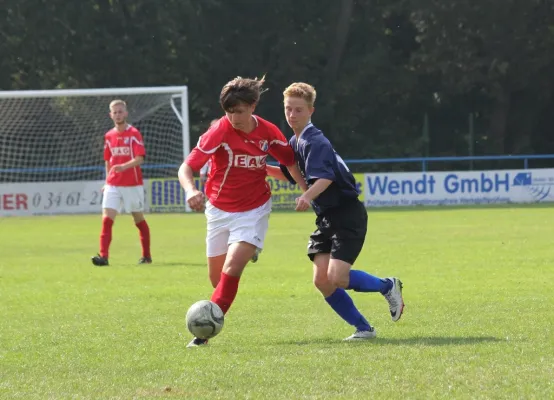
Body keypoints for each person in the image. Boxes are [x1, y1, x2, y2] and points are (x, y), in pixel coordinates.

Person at [267, 82, 404, 340]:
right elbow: (289, 174)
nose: (292, 115)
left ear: (311, 111)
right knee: (322, 281)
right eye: (288, 109)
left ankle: (388, 285)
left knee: (337, 278)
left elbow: (325, 178)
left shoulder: (313, 141)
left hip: (346, 214)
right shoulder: (295, 141)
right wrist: (259, 167)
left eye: (298, 110)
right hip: (327, 218)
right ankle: (364, 329)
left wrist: (307, 196)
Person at [178, 76, 306, 347]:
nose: (234, 117)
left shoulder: (268, 132)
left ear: (253, 106)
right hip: (218, 210)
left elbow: (290, 162)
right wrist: (190, 191)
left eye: (239, 111)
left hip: (254, 209)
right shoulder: (219, 131)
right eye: (229, 112)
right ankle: (249, 251)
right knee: (217, 279)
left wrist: (305, 190)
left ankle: (203, 334)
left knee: (232, 268)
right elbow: (186, 168)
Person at [91, 100, 152, 266]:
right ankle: (103, 257)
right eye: (115, 112)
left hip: (132, 184)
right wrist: (107, 180)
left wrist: (123, 167)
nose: (118, 115)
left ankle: (146, 256)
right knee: (107, 219)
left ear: (126, 113)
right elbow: (107, 160)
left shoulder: (134, 134)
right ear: (110, 115)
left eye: (120, 111)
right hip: (113, 184)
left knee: (138, 219)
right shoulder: (109, 136)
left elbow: (140, 158)